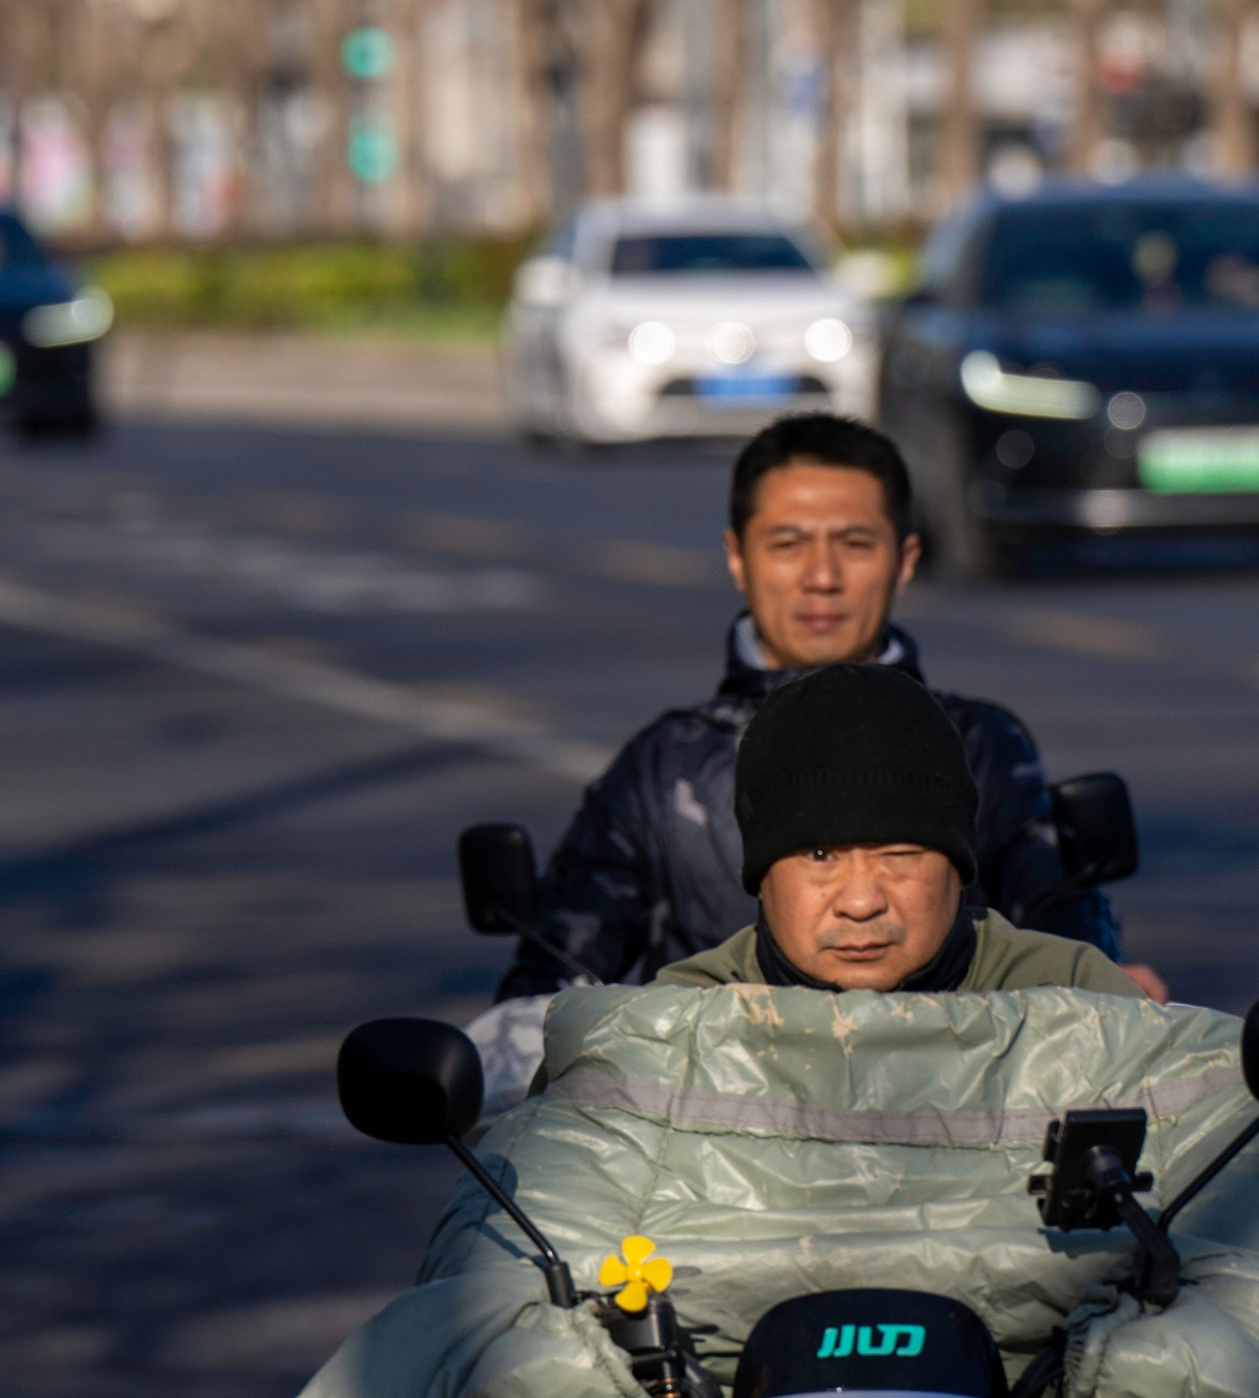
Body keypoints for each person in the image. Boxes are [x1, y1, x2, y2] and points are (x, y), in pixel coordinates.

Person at [495, 407, 1164, 997]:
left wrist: (1107, 983)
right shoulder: (660, 767)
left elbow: (1064, 938)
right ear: (737, 556)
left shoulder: (980, 744)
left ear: (905, 559)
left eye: (854, 543)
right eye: (788, 544)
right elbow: (553, 990)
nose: (822, 577)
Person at [663, 658, 1151, 995]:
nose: (860, 903)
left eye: (898, 853)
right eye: (820, 855)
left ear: (959, 867)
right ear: (761, 878)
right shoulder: (674, 1027)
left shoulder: (1076, 1000)